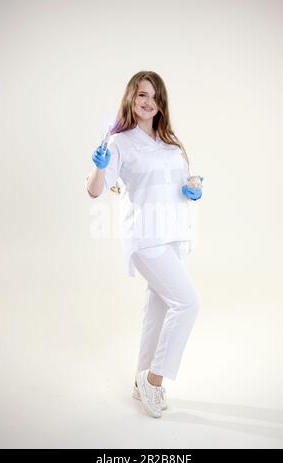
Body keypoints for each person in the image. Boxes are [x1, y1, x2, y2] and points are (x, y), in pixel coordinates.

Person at [86, 71, 203, 419]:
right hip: (147, 237)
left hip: (176, 234)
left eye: (154, 96)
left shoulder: (170, 142)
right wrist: (99, 168)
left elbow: (181, 185)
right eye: (141, 95)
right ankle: (154, 380)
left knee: (159, 307)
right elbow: (95, 190)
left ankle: (139, 384)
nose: (148, 101)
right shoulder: (119, 142)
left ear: (161, 102)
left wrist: (192, 189)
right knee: (187, 303)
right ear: (131, 99)